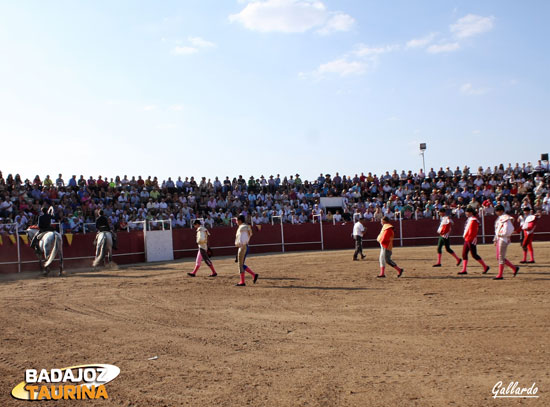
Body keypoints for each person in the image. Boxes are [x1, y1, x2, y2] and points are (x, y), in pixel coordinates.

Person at [458, 207, 489, 275]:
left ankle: (485, 266)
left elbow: (472, 232)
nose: (466, 213)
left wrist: (469, 238)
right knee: (464, 254)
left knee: (474, 255)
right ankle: (464, 269)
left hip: (471, 239)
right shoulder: (471, 219)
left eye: (467, 212)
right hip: (467, 239)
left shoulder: (474, 220)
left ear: (471, 213)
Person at [493, 205, 520, 280]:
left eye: (497, 211)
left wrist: (501, 235)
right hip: (500, 238)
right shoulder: (501, 218)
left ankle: (500, 275)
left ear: (501, 211)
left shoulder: (506, 218)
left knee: (500, 257)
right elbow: (497, 230)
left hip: (503, 239)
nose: (496, 213)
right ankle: (514, 268)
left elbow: (509, 229)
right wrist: (495, 239)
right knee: (499, 257)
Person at [235, 215, 258, 286]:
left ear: (240, 220)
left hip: (242, 246)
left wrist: (240, 245)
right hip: (245, 246)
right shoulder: (247, 227)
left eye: (236, 220)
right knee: (241, 264)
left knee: (240, 265)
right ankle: (253, 275)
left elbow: (242, 239)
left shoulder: (242, 227)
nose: (236, 222)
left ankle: (243, 281)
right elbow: (249, 235)